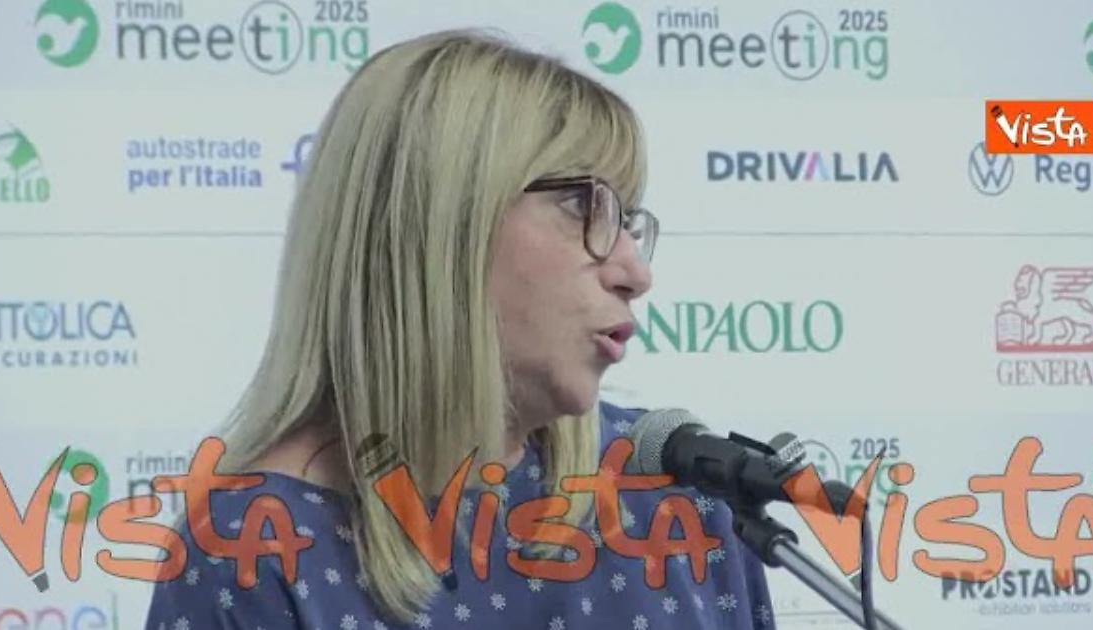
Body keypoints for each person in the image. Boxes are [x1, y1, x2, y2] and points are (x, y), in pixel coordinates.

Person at [144, 29, 775, 630]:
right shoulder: (250, 551)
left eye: (627, 219)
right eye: (584, 204)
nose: (636, 273)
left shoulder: (680, 496)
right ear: (438, 226)